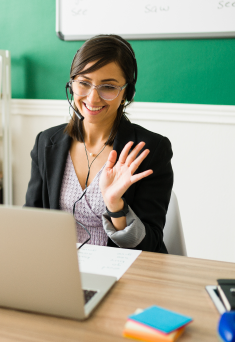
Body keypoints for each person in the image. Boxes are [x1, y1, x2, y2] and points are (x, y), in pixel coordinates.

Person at [24, 34, 173, 253]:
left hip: (124, 274)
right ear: (71, 85)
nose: (93, 98)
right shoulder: (46, 143)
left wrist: (116, 206)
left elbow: (150, 245)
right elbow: (31, 222)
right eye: (83, 83)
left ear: (126, 93)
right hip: (59, 271)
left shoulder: (150, 150)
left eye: (108, 87)